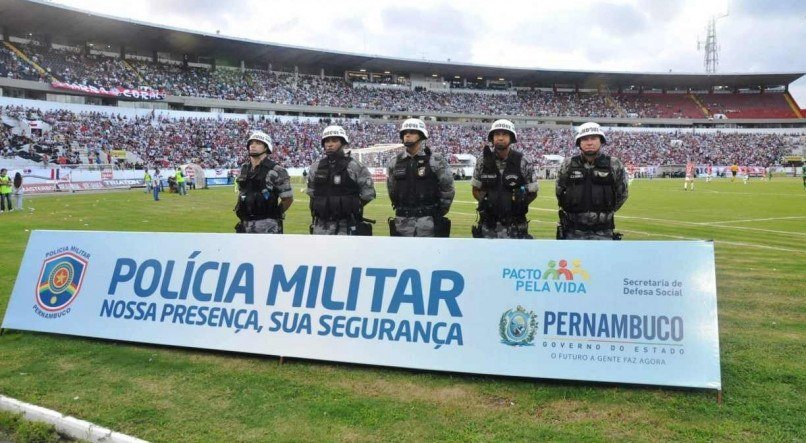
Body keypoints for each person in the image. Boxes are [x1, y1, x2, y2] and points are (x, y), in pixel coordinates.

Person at [555, 122, 629, 240]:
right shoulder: (567, 165)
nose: (589, 142)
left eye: (594, 138)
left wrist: (604, 214)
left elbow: (622, 194)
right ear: (579, 143)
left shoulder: (614, 164)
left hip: (604, 232)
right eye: (584, 139)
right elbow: (559, 193)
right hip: (572, 232)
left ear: (601, 141)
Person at [386, 118, 455, 237]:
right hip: (402, 223)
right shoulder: (395, 162)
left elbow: (448, 189)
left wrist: (436, 213)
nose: (407, 135)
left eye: (412, 132)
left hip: (429, 223)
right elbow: (392, 190)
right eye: (405, 132)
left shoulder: (436, 160)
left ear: (421, 136)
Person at [471, 119, 538, 239]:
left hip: (515, 226)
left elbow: (533, 191)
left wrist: (519, 204)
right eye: (497, 134)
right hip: (488, 226)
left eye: (504, 134)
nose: (500, 138)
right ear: (492, 138)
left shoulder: (523, 161)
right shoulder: (482, 161)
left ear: (511, 138)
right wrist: (487, 202)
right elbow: (475, 189)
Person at [306, 125, 376, 235]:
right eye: (327, 141)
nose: (329, 144)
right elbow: (312, 194)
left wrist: (351, 206)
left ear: (343, 143)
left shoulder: (355, 166)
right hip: (320, 226)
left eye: (334, 140)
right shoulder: (316, 167)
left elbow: (368, 194)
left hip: (346, 226)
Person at [234, 130, 293, 233]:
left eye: (258, 143)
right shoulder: (244, 169)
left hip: (268, 225)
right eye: (251, 143)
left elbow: (288, 199)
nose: (253, 145)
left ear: (266, 147)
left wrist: (274, 214)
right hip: (245, 223)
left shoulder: (277, 170)